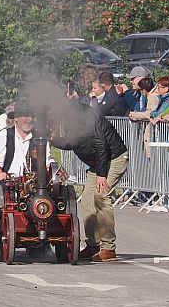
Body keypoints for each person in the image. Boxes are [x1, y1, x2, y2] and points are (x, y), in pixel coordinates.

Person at [0, 101, 57, 257]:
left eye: (30, 116)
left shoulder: (39, 137)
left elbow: (47, 159)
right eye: (24, 116)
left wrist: (51, 169)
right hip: (8, 181)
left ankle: (44, 244)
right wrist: (0, 174)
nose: (28, 119)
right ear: (16, 118)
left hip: (33, 182)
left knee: (52, 199)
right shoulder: (3, 135)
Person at [52, 96, 128, 262]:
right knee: (87, 201)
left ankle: (108, 248)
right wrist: (53, 140)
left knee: (101, 196)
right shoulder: (69, 118)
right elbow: (72, 143)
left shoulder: (85, 115)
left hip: (113, 158)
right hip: (98, 162)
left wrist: (101, 175)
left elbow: (101, 144)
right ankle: (93, 244)